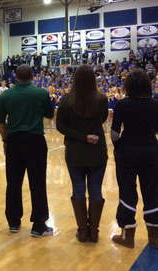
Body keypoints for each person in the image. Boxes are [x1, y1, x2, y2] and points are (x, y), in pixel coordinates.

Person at [0, 64, 55, 237]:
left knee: (13, 182)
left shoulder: (7, 94)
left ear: (16, 77)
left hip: (14, 140)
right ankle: (38, 225)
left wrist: (5, 140)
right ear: (32, 77)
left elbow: (0, 121)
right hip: (35, 139)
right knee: (37, 182)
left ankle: (13, 222)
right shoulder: (41, 93)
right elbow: (50, 115)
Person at [56, 65, 108, 243]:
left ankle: (83, 232)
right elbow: (102, 120)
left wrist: (82, 137)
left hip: (75, 153)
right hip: (97, 152)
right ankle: (94, 233)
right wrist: (88, 136)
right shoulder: (101, 99)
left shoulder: (66, 100)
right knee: (95, 190)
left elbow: (61, 127)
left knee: (78, 190)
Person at [111, 69, 158, 249]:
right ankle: (154, 236)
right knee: (152, 191)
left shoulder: (123, 105)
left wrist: (119, 146)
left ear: (128, 85)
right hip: (151, 150)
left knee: (127, 191)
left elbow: (115, 133)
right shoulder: (155, 104)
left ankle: (127, 235)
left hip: (127, 151)